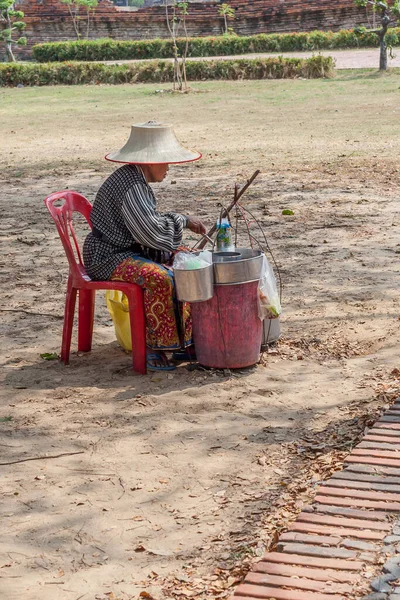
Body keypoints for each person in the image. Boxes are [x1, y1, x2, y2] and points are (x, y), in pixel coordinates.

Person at [83, 121, 207, 372]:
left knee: (187, 263)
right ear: (151, 161)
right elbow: (153, 233)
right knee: (160, 277)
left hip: (125, 249)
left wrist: (177, 230)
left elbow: (148, 228)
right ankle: (155, 348)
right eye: (166, 162)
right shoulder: (131, 186)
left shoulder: (135, 180)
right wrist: (182, 220)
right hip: (107, 256)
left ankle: (185, 342)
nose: (169, 168)